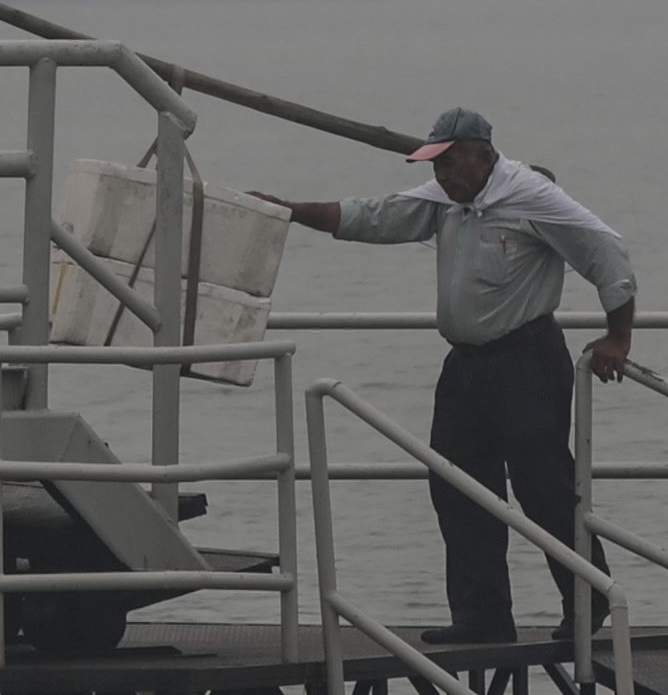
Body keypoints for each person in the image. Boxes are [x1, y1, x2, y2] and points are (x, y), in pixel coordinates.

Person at [256, 107, 634, 646]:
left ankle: (589, 602)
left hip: (527, 358)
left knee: (542, 487)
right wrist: (289, 211)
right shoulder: (445, 202)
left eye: (449, 164)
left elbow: (608, 255)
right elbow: (373, 216)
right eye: (434, 165)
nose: (440, 175)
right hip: (466, 366)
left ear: (484, 157)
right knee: (457, 486)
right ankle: (482, 617)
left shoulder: (532, 197)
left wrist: (617, 337)